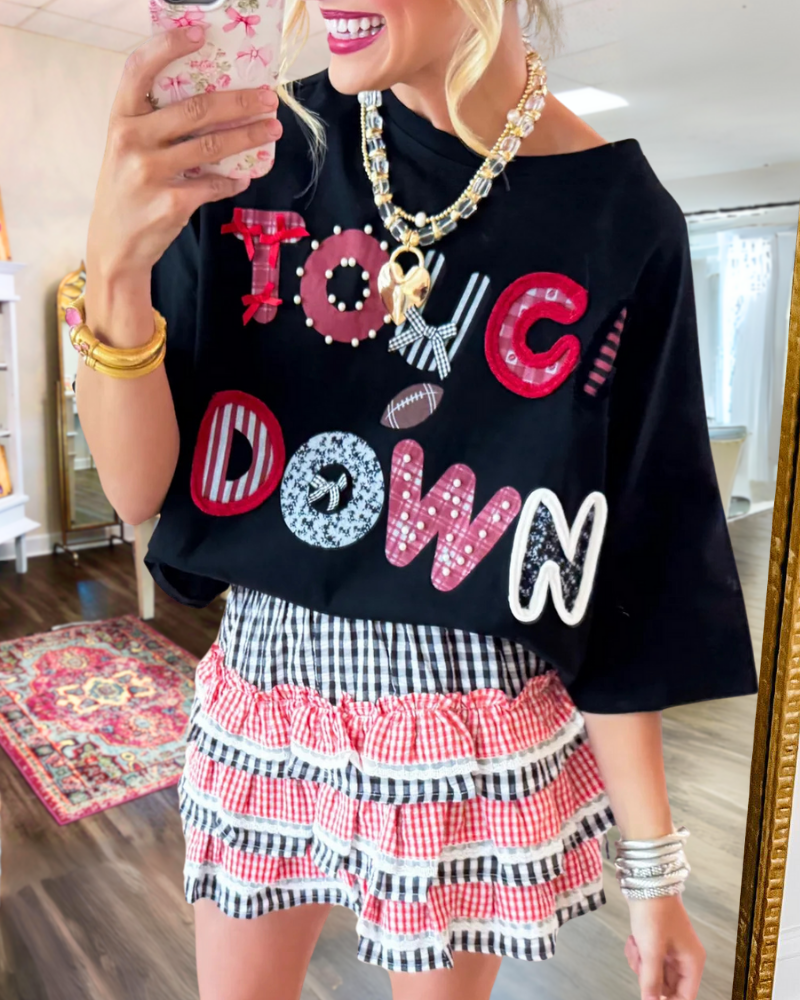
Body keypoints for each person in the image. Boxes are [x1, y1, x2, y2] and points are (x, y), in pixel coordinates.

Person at [77, 1, 758, 998]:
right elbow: (138, 490)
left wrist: (654, 872)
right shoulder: (259, 148)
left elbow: (621, 569)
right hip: (268, 693)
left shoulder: (619, 221)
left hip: (469, 729)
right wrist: (113, 266)